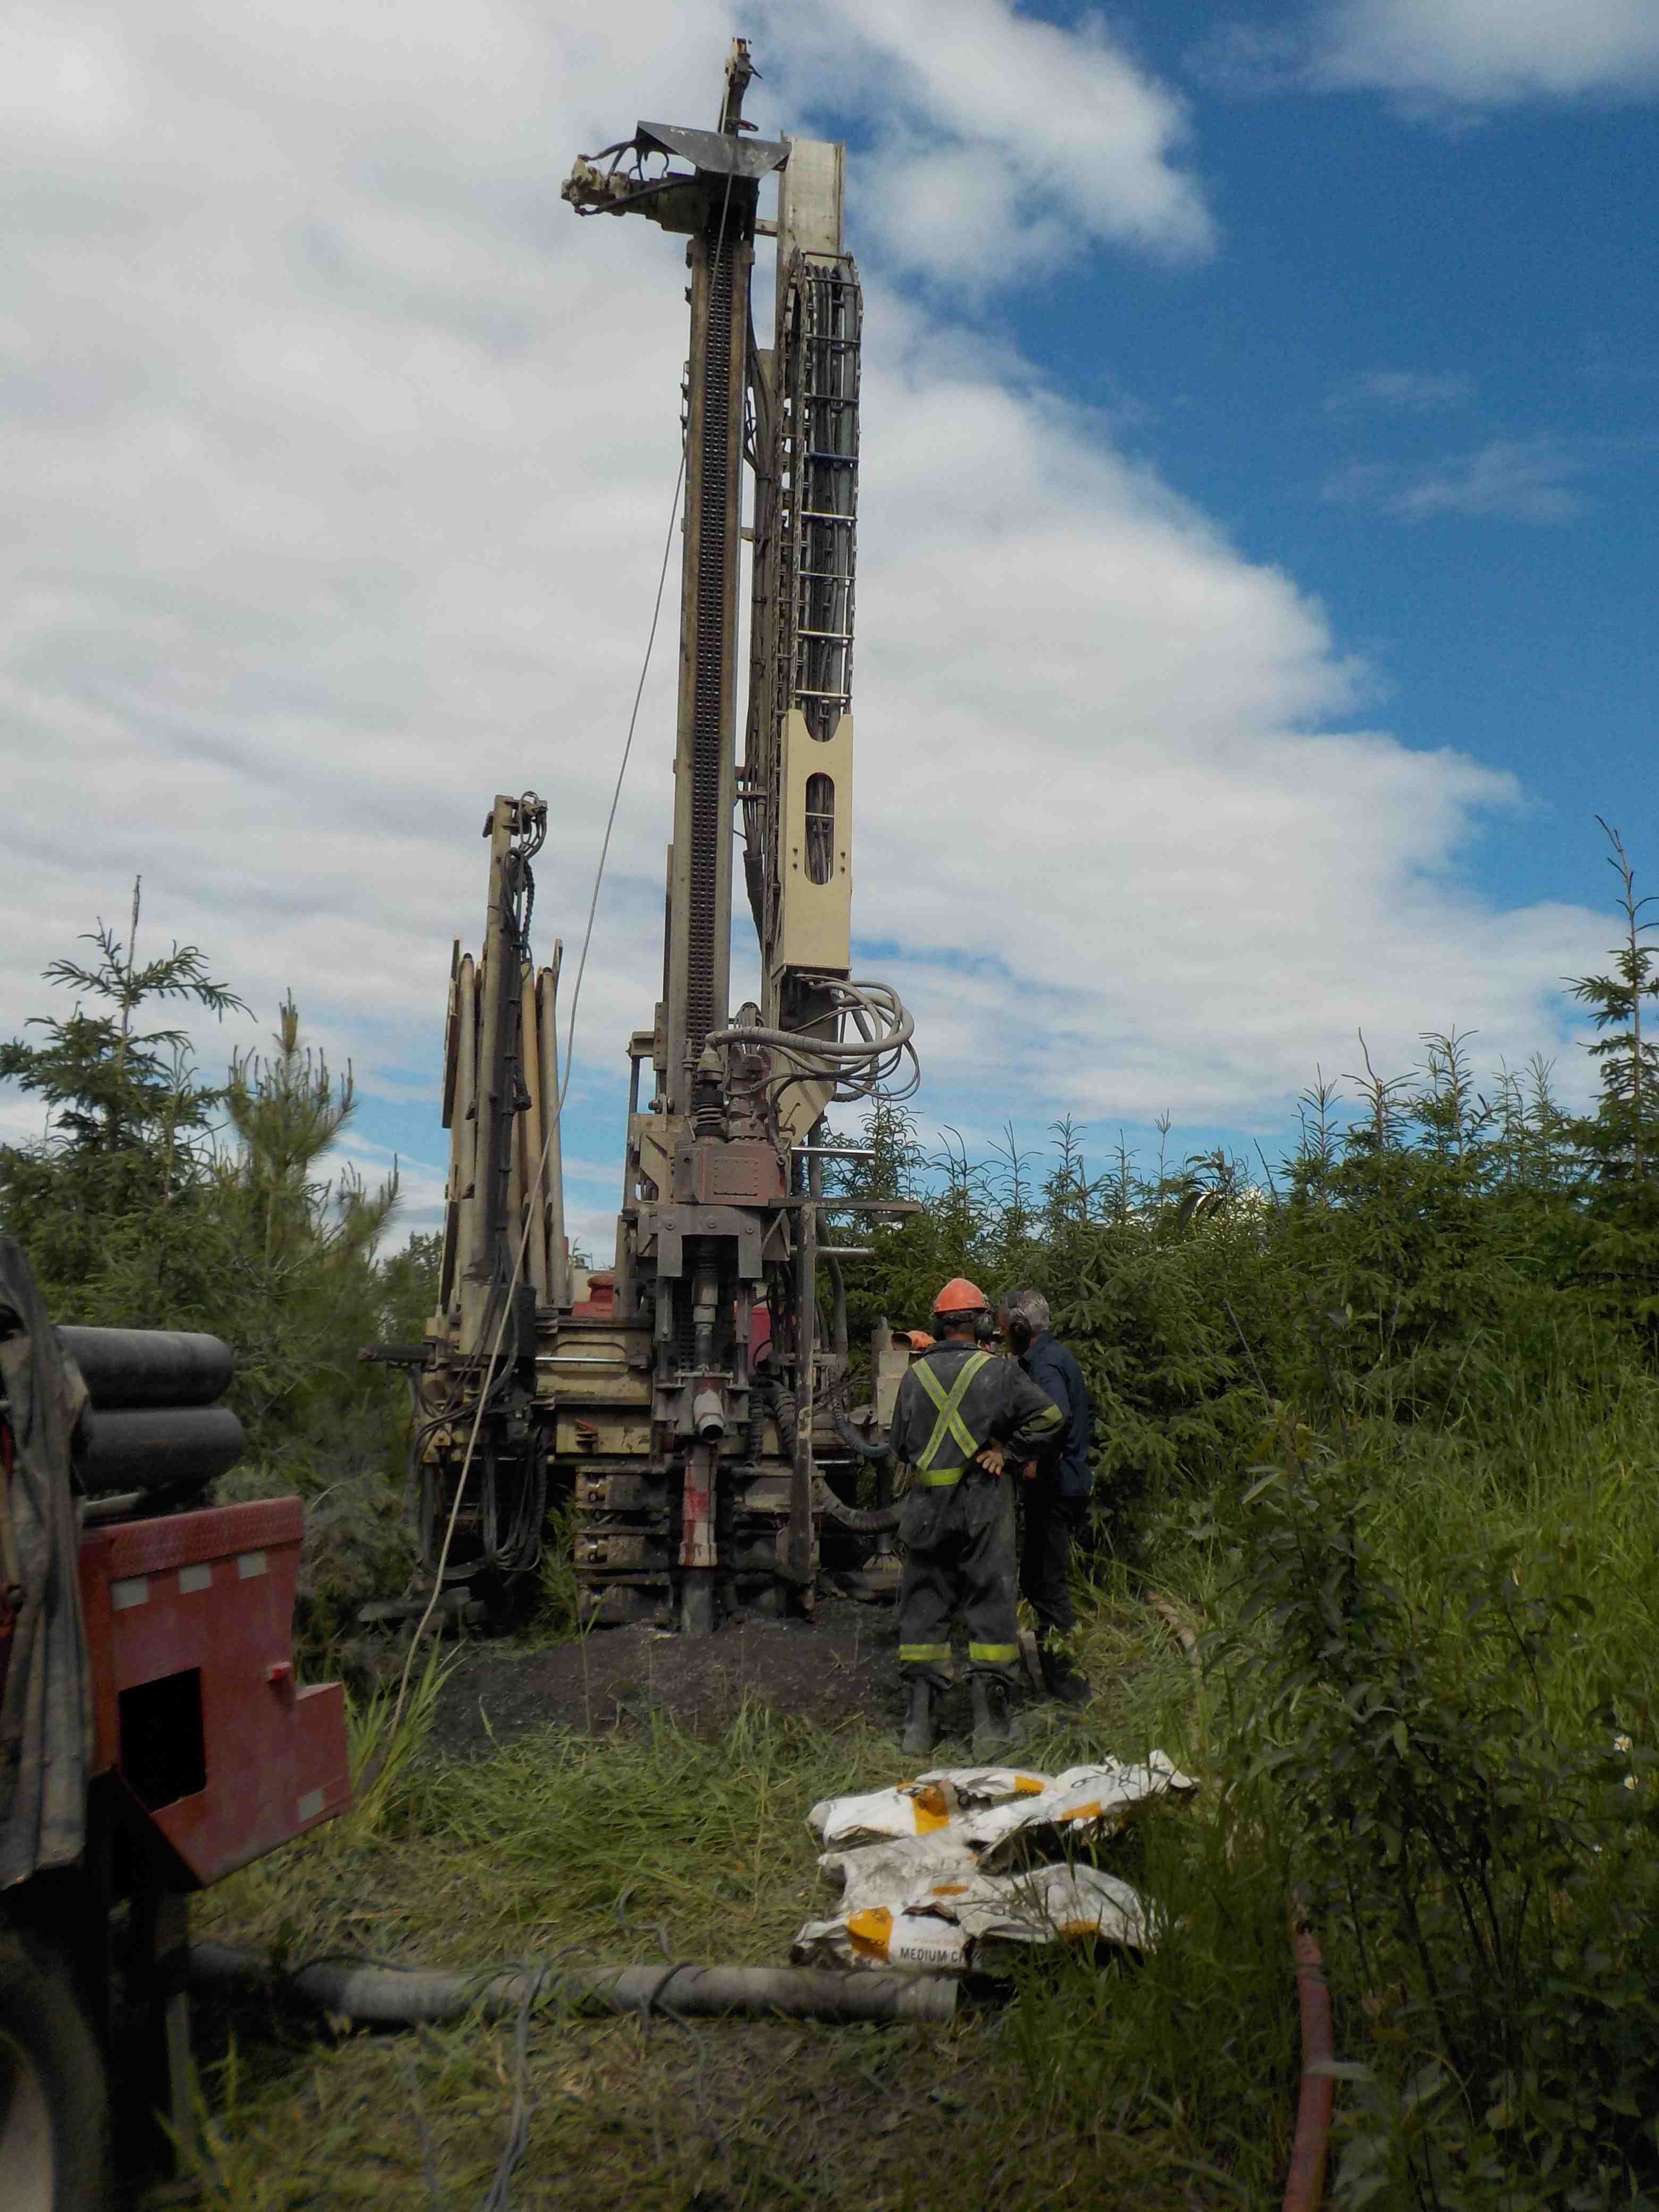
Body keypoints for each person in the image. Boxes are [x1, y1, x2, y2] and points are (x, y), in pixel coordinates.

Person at [887, 1277, 1065, 1757]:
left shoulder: (913, 1376)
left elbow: (900, 1446)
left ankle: (918, 1730)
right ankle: (991, 1730)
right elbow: (1050, 1419)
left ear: (938, 1326)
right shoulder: (1000, 1373)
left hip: (927, 1510)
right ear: (984, 1322)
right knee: (990, 1610)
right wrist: (1007, 1453)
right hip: (985, 1507)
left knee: (924, 1611)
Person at [1001, 1288, 1094, 1708]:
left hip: (1056, 1487)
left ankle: (1070, 1689)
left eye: (1006, 1325)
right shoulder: (1050, 1356)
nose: (1003, 1332)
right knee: (1040, 1581)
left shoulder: (1046, 1364)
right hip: (1065, 1482)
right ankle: (1057, 1676)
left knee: (1047, 1585)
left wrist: (1027, 1456)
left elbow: (1057, 1416)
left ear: (1021, 1327)